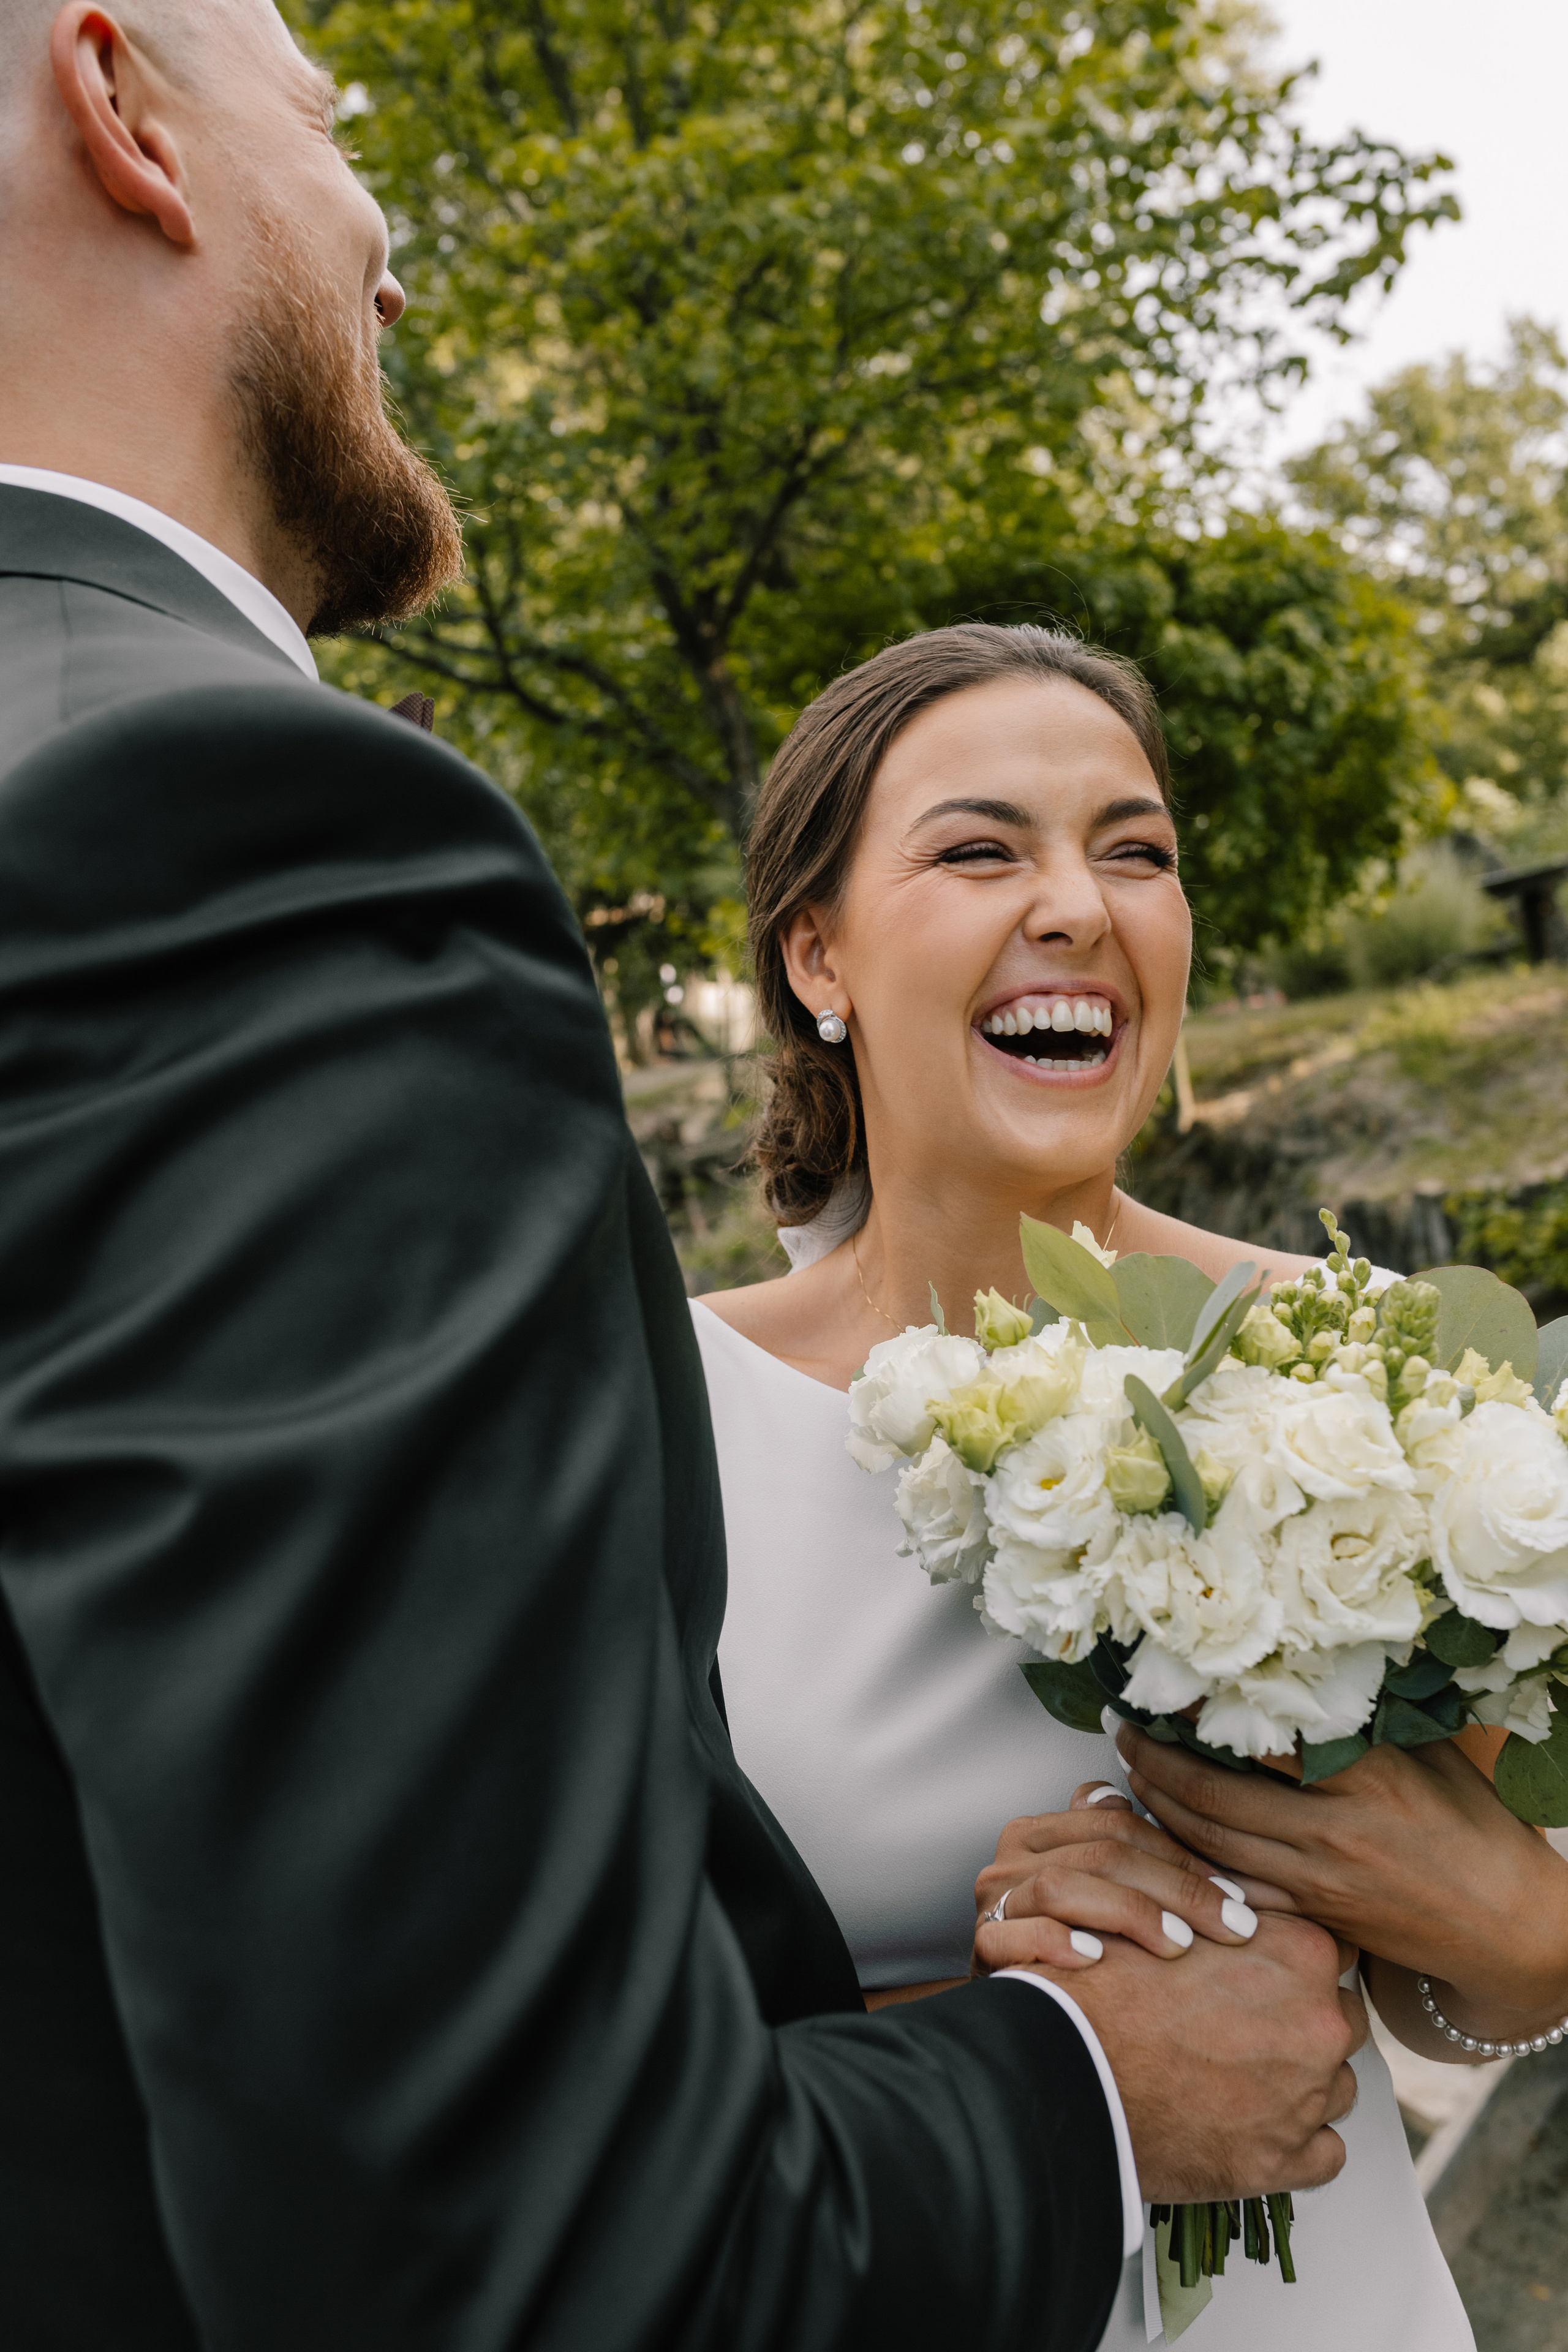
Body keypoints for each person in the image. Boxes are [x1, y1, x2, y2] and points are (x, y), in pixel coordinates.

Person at [0, 6, 1365, 2349]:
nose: (387, 246)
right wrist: (1086, 2077)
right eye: (335, 128)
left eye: (1136, 847)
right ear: (124, 111)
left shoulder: (1349, 1361)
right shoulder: (233, 832)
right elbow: (520, 2238)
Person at [695, 622, 1568, 2347]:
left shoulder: (1369, 1371)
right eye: (979, 848)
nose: (1080, 905)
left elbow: (1474, 1986)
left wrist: (1520, 1936)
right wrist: (1038, 2031)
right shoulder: (657, 1412)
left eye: (1135, 851)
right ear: (819, 955)